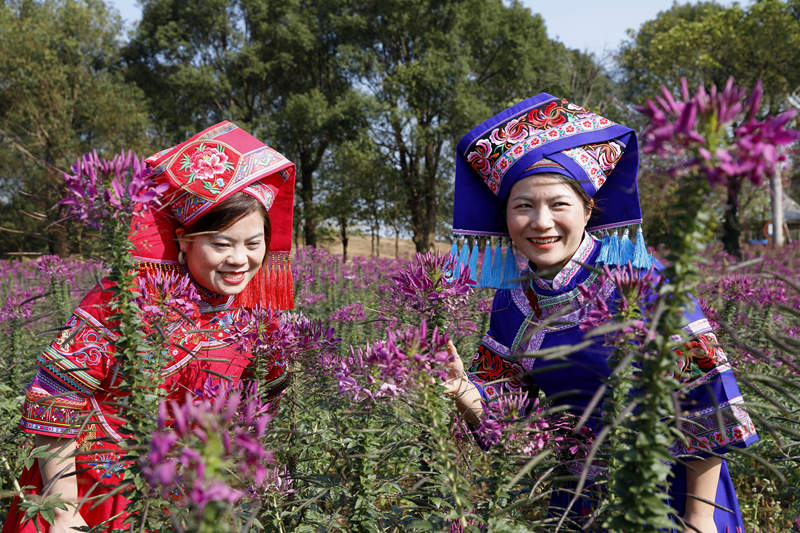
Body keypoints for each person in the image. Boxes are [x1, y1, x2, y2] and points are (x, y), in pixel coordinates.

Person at [444, 94, 758, 532]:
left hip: (671, 494)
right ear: (505, 217)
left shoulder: (644, 283)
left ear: (588, 210)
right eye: (523, 206)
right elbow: (505, 415)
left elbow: (707, 396)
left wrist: (699, 517)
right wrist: (460, 388)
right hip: (580, 500)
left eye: (558, 204)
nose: (540, 222)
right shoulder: (512, 301)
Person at [2, 122, 297, 532]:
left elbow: (259, 405)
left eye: (253, 243)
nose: (239, 260)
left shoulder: (255, 317)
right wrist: (64, 510)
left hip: (191, 499)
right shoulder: (127, 297)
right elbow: (55, 396)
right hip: (97, 495)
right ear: (183, 239)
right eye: (221, 244)